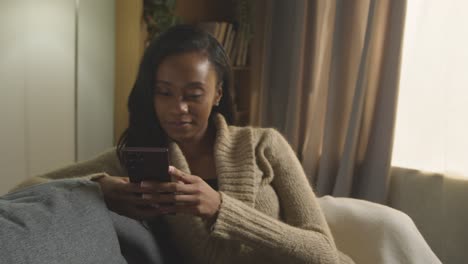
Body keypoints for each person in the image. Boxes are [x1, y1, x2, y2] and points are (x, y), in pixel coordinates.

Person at [13, 24, 354, 263]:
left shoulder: (263, 145)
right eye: (164, 93)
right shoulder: (139, 155)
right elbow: (26, 188)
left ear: (218, 94)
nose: (178, 108)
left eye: (193, 95)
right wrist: (99, 187)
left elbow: (324, 252)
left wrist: (222, 207)